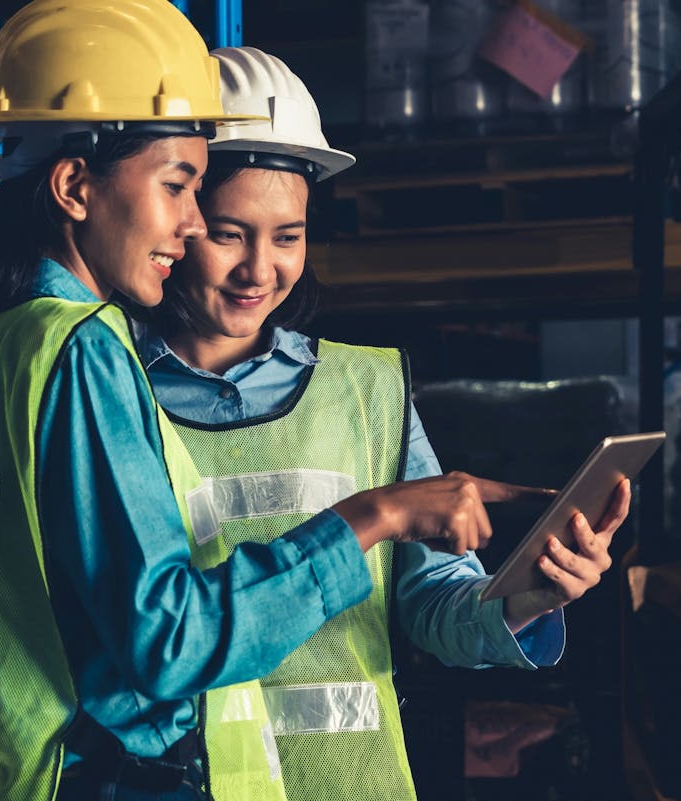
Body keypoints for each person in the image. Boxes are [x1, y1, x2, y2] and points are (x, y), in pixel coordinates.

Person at [0, 5, 537, 801]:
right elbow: (167, 639)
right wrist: (374, 515)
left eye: (288, 234)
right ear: (75, 185)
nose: (186, 225)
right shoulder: (82, 350)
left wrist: (525, 592)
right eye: (183, 190)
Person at [140, 46, 632, 801]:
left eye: (288, 237)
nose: (260, 270)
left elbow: (435, 605)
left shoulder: (367, 392)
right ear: (178, 221)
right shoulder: (111, 389)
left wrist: (533, 593)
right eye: (230, 234)